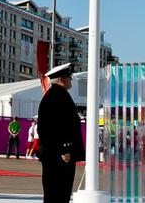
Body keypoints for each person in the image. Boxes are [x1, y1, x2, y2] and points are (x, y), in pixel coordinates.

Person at [38, 63, 85, 203]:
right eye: (68, 77)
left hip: (56, 154)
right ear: (60, 79)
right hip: (61, 155)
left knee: (56, 193)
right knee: (59, 192)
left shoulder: (55, 95)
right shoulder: (58, 97)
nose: (71, 80)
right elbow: (59, 127)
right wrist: (65, 149)